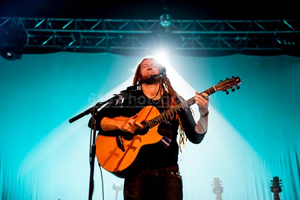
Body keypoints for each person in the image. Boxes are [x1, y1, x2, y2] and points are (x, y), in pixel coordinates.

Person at [89, 57, 209, 200]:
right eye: (144, 66)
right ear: (139, 75)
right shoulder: (128, 99)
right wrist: (121, 124)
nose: (149, 67)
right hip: (136, 174)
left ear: (162, 72)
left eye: (153, 65)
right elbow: (94, 121)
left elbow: (196, 136)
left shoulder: (175, 101)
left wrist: (204, 113)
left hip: (169, 173)